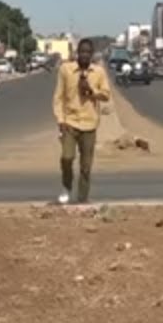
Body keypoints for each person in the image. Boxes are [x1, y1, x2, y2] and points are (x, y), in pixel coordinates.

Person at [53, 38, 112, 205]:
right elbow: (58, 97)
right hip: (70, 122)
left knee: (86, 166)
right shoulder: (66, 70)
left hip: (89, 124)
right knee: (67, 157)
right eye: (82, 52)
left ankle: (82, 199)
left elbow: (106, 95)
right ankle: (66, 186)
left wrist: (91, 91)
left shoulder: (98, 72)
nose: (84, 55)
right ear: (77, 53)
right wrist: (60, 119)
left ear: (92, 54)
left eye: (88, 52)